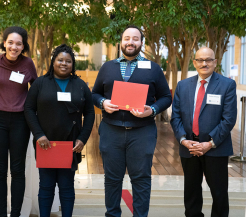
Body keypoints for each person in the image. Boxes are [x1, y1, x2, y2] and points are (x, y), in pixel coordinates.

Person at [92, 25, 172, 217]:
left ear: (141, 43)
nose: (130, 42)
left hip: (142, 132)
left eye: (135, 39)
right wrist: (103, 103)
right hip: (111, 130)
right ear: (121, 42)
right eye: (127, 38)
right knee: (112, 178)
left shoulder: (153, 68)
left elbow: (166, 97)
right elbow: (94, 94)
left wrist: (151, 110)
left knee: (141, 178)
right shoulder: (107, 67)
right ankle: (112, 214)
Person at [24, 44, 95, 217]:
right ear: (53, 61)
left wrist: (83, 138)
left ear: (73, 64)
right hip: (45, 143)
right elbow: (28, 109)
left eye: (68, 61)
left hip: (70, 144)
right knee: (46, 186)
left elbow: (90, 112)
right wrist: (38, 134)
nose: (64, 63)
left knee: (66, 186)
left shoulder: (80, 85)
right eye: (60, 60)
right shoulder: (40, 83)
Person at [170, 47, 237, 217]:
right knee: (191, 193)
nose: (204, 63)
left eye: (208, 60)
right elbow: (175, 117)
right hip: (189, 147)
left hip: (216, 147)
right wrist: (184, 140)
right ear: (194, 62)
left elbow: (228, 119)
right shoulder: (183, 85)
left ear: (215, 62)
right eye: (200, 60)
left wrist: (210, 143)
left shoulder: (227, 85)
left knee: (219, 193)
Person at [0, 26, 37, 217]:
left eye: (19, 44)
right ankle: (1, 214)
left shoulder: (28, 64)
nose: (14, 47)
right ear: (4, 43)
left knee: (17, 170)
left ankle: (15, 214)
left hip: (20, 122)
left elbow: (36, 92)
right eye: (11, 42)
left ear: (24, 46)